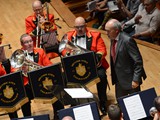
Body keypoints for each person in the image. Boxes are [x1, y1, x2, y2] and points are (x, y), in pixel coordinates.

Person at [60, 16, 109, 115]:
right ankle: (74, 101)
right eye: (77, 27)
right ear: (74, 27)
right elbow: (63, 49)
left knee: (102, 76)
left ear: (85, 25)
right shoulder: (68, 36)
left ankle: (102, 102)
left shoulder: (95, 35)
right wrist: (68, 54)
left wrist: (98, 57)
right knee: (64, 78)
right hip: (75, 66)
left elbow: (102, 49)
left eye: (82, 27)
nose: (79, 29)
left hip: (93, 66)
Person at [16, 34, 63, 119]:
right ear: (22, 45)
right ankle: (28, 118)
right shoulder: (18, 55)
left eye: (30, 41)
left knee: (57, 90)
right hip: (28, 85)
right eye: (26, 42)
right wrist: (21, 69)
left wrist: (38, 68)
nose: (30, 44)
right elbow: (13, 71)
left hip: (41, 82)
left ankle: (58, 116)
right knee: (24, 98)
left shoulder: (40, 51)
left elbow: (49, 65)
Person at [105, 19, 146, 99]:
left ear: (116, 31)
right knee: (121, 104)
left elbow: (138, 61)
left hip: (131, 80)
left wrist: (136, 79)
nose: (106, 33)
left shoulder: (127, 40)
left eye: (108, 31)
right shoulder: (112, 38)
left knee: (135, 104)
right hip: (119, 79)